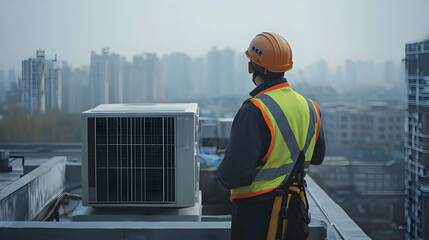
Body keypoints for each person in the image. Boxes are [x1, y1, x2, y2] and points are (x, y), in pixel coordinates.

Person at [217, 32, 326, 240]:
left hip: (256, 217)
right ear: (286, 67)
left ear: (251, 67)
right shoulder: (311, 107)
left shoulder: (254, 110)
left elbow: (232, 176)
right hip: (295, 211)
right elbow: (317, 156)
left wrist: (220, 167)